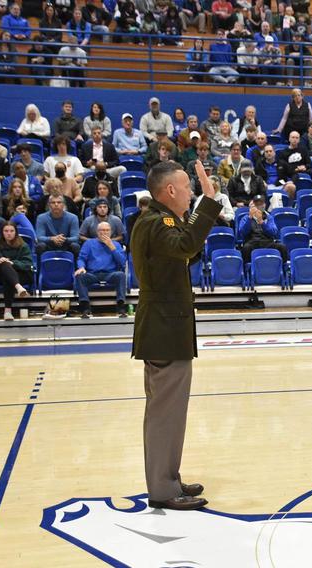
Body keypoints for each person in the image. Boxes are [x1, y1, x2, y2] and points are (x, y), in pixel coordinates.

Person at [130, 160, 219, 510]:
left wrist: (196, 221)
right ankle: (163, 490)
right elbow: (184, 245)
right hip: (164, 330)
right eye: (188, 188)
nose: (191, 192)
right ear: (170, 191)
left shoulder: (156, 222)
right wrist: (208, 204)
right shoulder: (157, 222)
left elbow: (184, 250)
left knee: (170, 412)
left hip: (166, 328)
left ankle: (168, 478)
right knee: (165, 413)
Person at [0, 221, 32, 321]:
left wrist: (13, 263)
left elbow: (28, 264)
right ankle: (18, 287)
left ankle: (7, 311)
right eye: (6, 231)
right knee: (5, 266)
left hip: (21, 275)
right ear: (2, 232)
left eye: (11, 231)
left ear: (16, 232)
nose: (9, 233)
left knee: (8, 277)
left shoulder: (23, 246)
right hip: (1, 275)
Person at [238, 195, 287, 262]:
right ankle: (248, 269)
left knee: (282, 247)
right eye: (256, 205)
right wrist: (250, 218)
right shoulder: (245, 218)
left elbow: (273, 233)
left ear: (264, 205)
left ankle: (284, 269)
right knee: (246, 248)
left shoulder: (269, 217)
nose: (258, 207)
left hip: (267, 242)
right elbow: (242, 233)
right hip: (252, 242)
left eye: (260, 204)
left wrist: (262, 222)